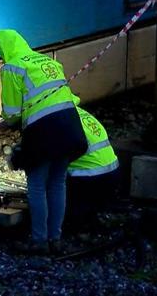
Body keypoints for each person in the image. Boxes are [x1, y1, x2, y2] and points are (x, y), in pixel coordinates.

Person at [0, 29, 87, 254]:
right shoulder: (48, 61)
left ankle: (38, 241)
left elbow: (12, 112)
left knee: (36, 185)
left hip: (43, 130)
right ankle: (56, 239)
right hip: (70, 124)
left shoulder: (12, 67)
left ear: (4, 49)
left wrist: (6, 123)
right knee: (57, 183)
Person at [65, 96, 120, 233]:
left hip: (88, 179)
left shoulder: (58, 119)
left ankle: (74, 224)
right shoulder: (79, 112)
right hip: (112, 173)